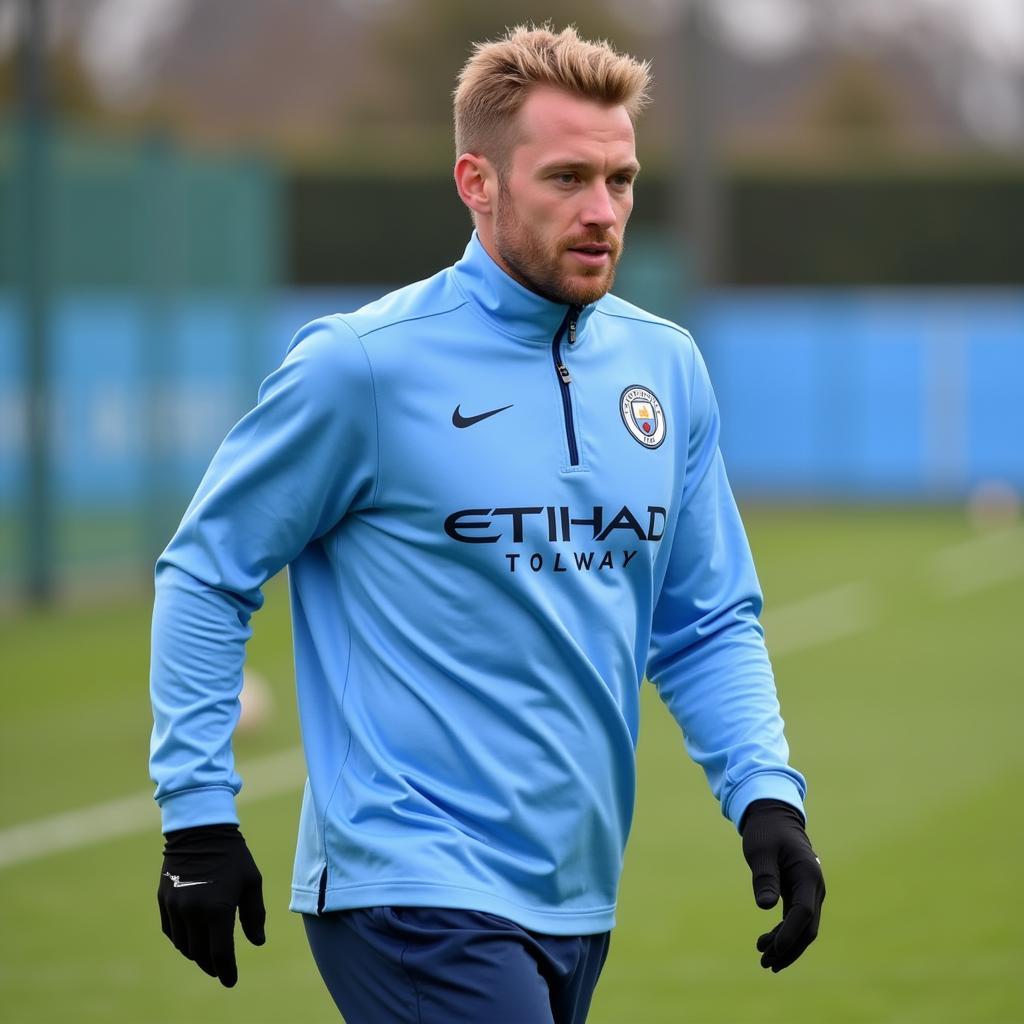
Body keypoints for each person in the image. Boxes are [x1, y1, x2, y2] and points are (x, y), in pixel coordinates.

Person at [150, 24, 825, 1024]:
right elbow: (208, 572)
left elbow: (705, 619)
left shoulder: (665, 368)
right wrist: (197, 818)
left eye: (622, 179)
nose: (603, 213)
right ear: (476, 181)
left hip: (574, 887)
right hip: (407, 883)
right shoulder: (361, 367)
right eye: (566, 179)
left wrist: (767, 795)